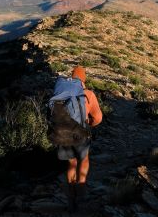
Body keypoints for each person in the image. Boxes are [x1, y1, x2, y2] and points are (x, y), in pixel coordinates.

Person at [58, 65, 102, 211]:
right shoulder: (88, 94)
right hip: (80, 133)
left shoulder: (63, 92)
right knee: (83, 160)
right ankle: (81, 194)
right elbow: (98, 118)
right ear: (84, 78)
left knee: (71, 163)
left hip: (63, 132)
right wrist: (89, 123)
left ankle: (70, 196)